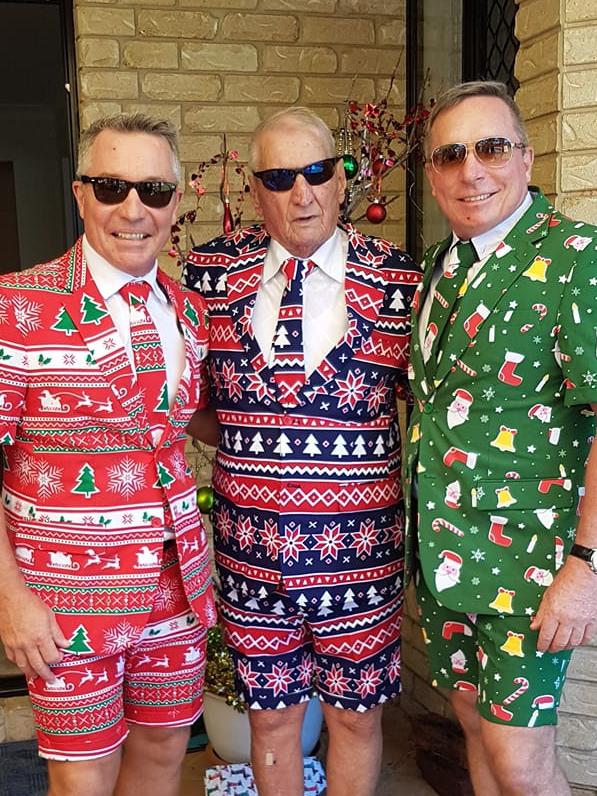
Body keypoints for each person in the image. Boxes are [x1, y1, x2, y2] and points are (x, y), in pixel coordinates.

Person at [184, 106, 420, 796]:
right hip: (250, 552)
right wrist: (266, 444)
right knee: (271, 723)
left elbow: (431, 409)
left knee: (353, 722)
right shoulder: (211, 276)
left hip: (360, 556)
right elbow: (188, 400)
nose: (301, 192)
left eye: (317, 171)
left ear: (343, 180)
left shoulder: (398, 283)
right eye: (279, 176)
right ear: (255, 190)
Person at [0, 113, 216, 796]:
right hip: (63, 599)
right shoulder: (17, 305)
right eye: (112, 186)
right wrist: (11, 600)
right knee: (82, 782)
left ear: (174, 204)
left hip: (178, 586)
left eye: (153, 191)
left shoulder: (188, 311)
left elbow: (184, 425)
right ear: (80, 193)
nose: (133, 209)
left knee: (161, 757)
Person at [404, 80, 597, 796]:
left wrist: (584, 566)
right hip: (447, 555)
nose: (470, 170)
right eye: (449, 155)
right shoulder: (439, 270)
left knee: (520, 761)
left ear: (525, 156)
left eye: (490, 148)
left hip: (529, 565)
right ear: (430, 174)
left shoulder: (576, 257)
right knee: (476, 734)